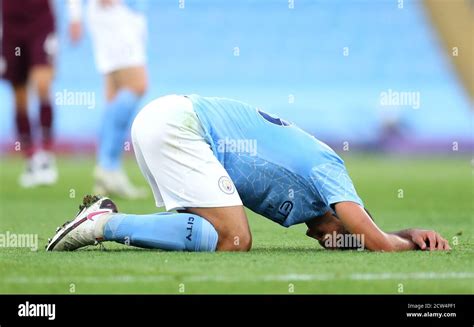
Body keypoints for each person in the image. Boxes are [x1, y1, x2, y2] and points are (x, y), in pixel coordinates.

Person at [46, 94, 451, 252]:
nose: (328, 240)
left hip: (165, 120)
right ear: (343, 214)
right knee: (235, 238)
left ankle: (101, 221)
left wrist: (403, 231)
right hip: (180, 126)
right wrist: (409, 242)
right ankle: (104, 224)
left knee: (209, 235)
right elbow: (372, 240)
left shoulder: (315, 202)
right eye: (341, 234)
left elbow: (365, 233)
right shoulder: (331, 168)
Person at [67, 0, 148, 198]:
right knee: (137, 85)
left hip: (118, 14)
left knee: (114, 93)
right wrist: (75, 15)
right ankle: (108, 166)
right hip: (113, 13)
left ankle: (108, 168)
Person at [1, 0, 58, 187]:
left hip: (40, 19)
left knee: (42, 84)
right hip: (10, 23)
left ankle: (47, 155)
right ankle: (31, 157)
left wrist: (75, 16)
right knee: (20, 94)